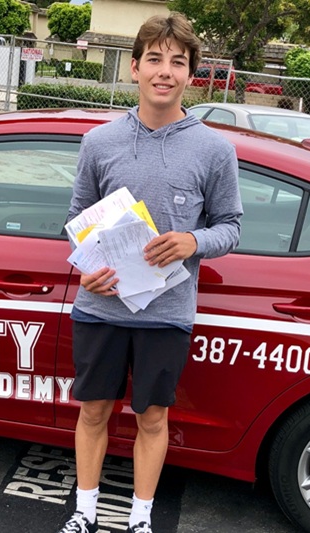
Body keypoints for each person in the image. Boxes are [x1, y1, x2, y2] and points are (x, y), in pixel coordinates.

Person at [58, 12, 243, 533]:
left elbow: (231, 227)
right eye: (155, 59)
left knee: (153, 417)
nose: (165, 71)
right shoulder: (100, 142)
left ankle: (140, 520)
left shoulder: (214, 150)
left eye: (177, 62)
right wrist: (88, 269)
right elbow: (75, 222)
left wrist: (193, 240)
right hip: (101, 306)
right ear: (134, 68)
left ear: (191, 75)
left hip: (166, 314)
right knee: (93, 413)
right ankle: (85, 512)